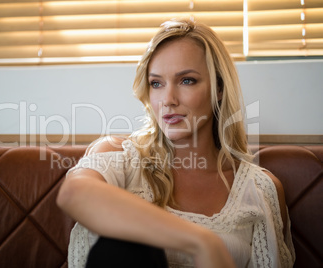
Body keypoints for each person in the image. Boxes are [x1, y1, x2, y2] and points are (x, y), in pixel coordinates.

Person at [57, 19, 295, 268]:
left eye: (187, 80)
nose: (168, 100)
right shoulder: (121, 156)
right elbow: (73, 193)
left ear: (219, 88)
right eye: (156, 83)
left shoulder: (258, 188)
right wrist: (202, 242)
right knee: (124, 246)